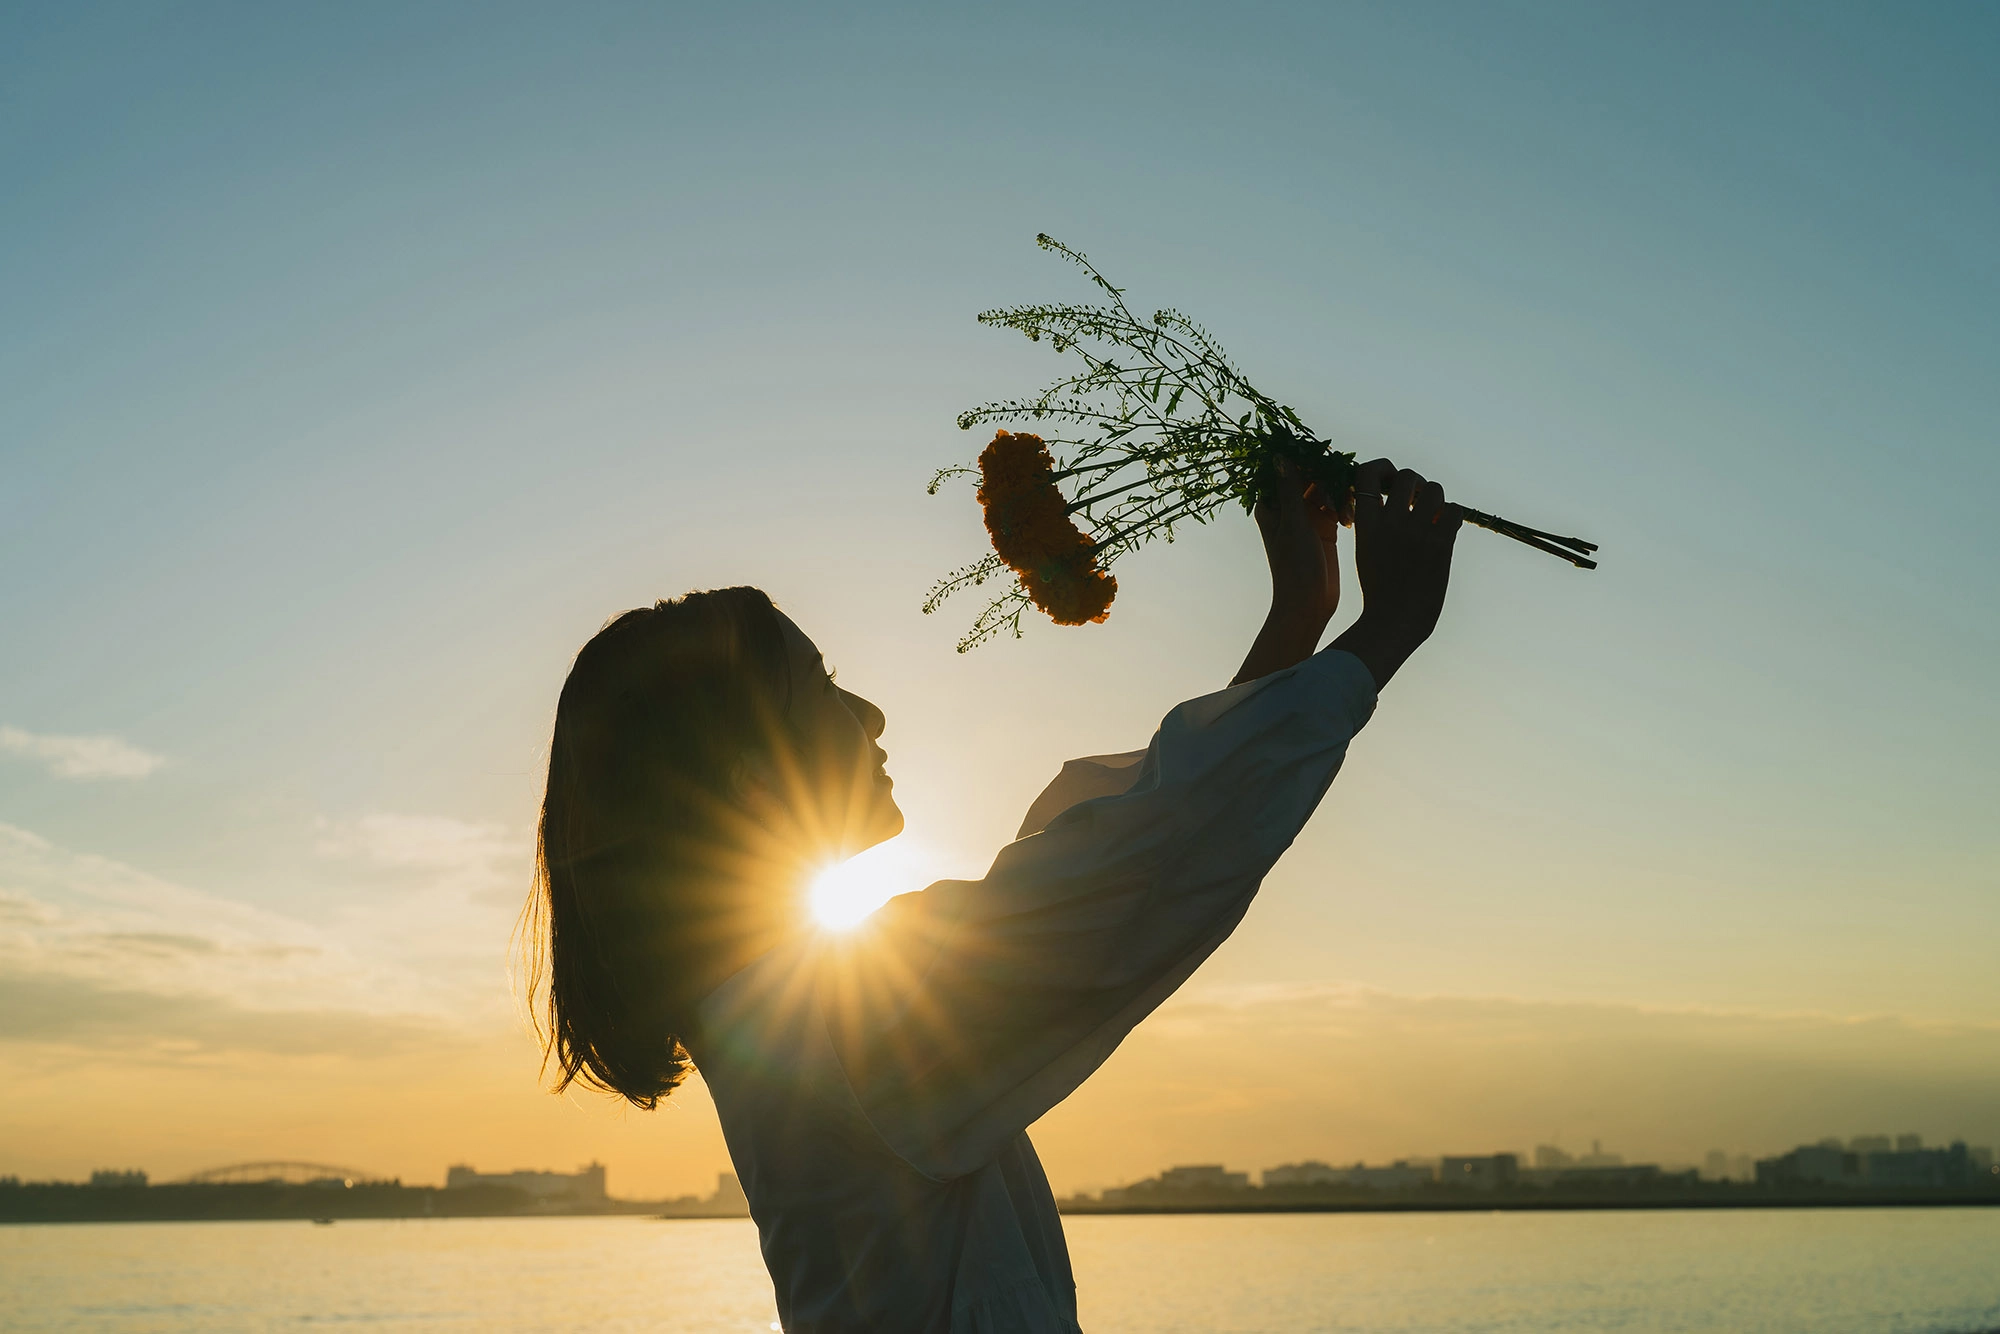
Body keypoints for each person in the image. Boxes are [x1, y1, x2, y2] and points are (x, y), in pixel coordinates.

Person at [526, 459, 1460, 1332]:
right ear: (753, 781)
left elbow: (1114, 855)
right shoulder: (842, 1024)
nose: (869, 713)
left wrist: (1300, 616)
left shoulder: (790, 1015)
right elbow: (1134, 870)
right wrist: (1383, 633)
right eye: (823, 687)